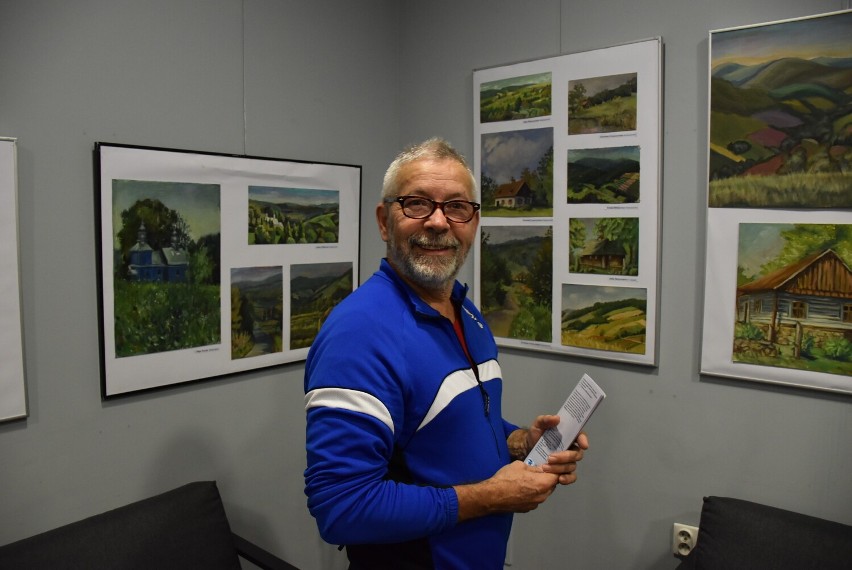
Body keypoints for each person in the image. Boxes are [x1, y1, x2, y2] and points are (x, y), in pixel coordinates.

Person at [304, 137, 589, 569]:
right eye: (417, 203)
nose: (439, 222)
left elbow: (455, 428)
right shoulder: (359, 333)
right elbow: (342, 508)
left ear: (474, 223)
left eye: (457, 207)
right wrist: (490, 498)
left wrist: (521, 442)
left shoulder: (463, 309)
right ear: (384, 221)